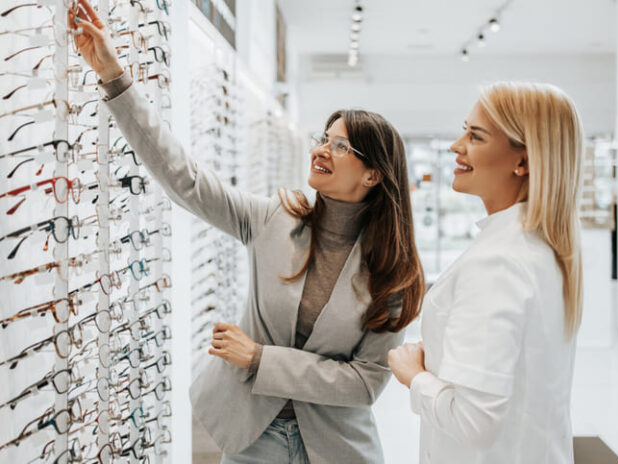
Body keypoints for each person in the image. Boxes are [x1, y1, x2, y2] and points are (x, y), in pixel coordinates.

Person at [68, 1, 425, 462]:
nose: (322, 149)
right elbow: (186, 180)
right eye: (323, 138)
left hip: (336, 447)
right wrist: (116, 79)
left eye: (340, 146)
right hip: (254, 435)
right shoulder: (275, 218)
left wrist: (261, 358)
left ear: (373, 174)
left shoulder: (392, 273)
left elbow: (364, 382)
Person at [388, 82, 583, 463]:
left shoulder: (498, 263)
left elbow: (473, 422)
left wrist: (414, 374)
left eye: (475, 136)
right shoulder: (541, 249)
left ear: (522, 161)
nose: (456, 146)